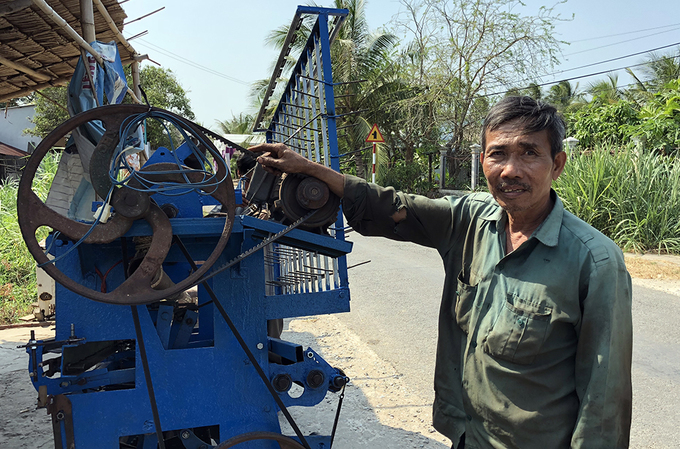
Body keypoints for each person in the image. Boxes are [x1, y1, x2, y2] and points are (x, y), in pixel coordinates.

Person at [250, 96, 633, 449]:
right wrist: (308, 170)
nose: (511, 170)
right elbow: (395, 208)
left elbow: (605, 403)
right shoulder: (471, 219)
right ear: (483, 160)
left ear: (558, 164)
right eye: (498, 154)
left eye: (530, 153)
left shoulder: (595, 261)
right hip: (468, 436)